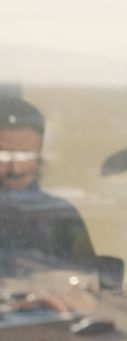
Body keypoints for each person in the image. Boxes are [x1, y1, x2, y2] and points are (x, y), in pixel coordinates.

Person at [0, 95, 96, 267]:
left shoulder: (60, 214)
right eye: (3, 155)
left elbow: (87, 277)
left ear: (41, 151)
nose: (16, 169)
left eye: (26, 155)